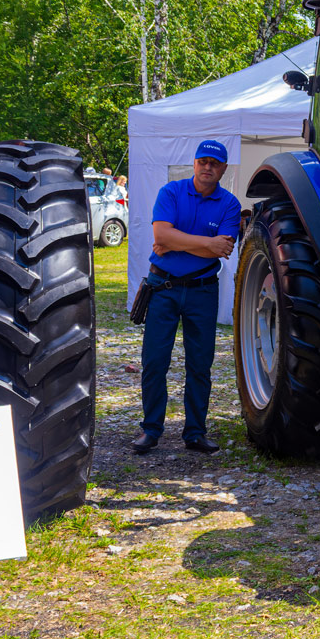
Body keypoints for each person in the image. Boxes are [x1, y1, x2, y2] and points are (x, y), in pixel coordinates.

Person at [132, 140, 241, 454]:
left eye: (215, 163)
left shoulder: (230, 204)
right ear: (194, 163)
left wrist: (175, 241)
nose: (208, 167)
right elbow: (161, 236)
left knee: (199, 365)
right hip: (162, 289)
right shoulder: (171, 192)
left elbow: (223, 249)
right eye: (203, 161)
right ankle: (150, 430)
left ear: (223, 168)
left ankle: (194, 433)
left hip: (202, 291)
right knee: (154, 362)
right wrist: (204, 243)